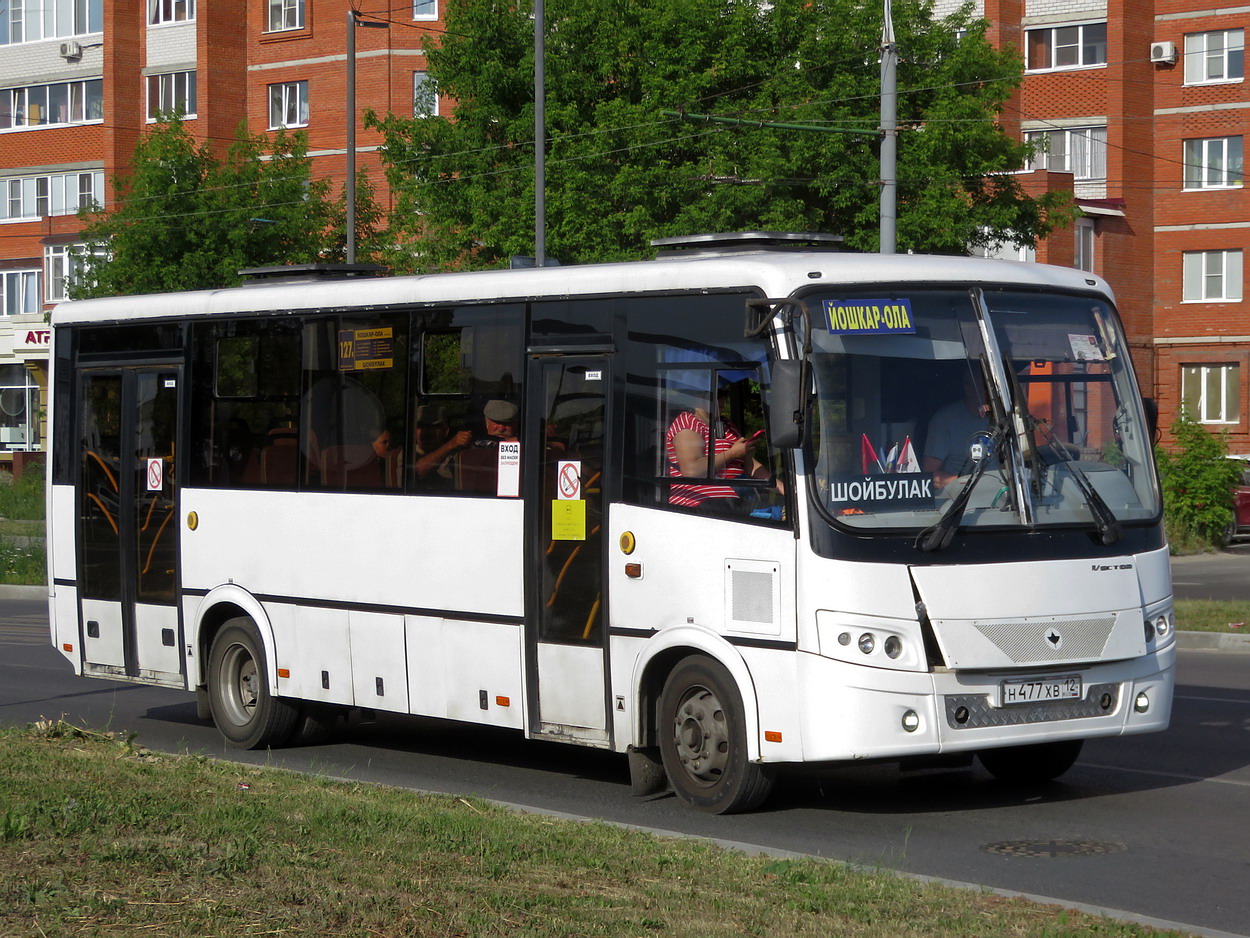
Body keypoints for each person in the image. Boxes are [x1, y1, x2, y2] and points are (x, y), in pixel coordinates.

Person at [666, 389, 765, 508]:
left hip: (736, 502)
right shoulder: (688, 422)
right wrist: (732, 454)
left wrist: (781, 488)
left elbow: (750, 465)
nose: (723, 400)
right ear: (699, 396)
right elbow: (692, 470)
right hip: (702, 506)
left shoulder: (727, 425)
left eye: (725, 394)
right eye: (719, 395)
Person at [922, 370, 991, 491]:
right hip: (957, 501)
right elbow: (930, 475)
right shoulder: (945, 420)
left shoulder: (1003, 419)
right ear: (968, 389)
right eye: (984, 386)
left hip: (1002, 497)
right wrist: (969, 484)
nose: (989, 391)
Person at [412, 404, 471, 486]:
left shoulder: (458, 454)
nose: (425, 433)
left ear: (446, 431)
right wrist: (451, 444)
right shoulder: (407, 454)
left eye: (432, 427)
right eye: (421, 426)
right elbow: (418, 471)